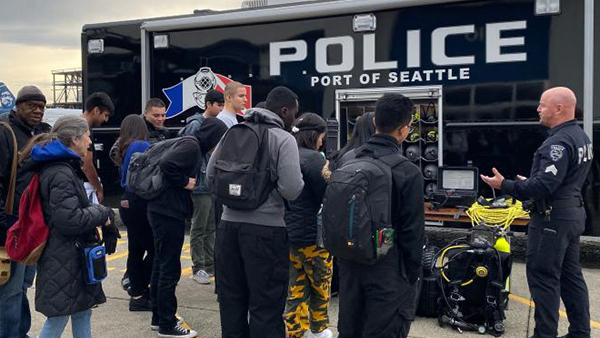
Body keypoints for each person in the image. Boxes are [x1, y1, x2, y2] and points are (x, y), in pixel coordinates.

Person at [481, 87, 592, 338]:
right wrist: (533, 180)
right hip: (572, 214)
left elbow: (544, 186)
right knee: (571, 276)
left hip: (552, 220)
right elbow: (558, 179)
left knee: (544, 279)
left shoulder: (558, 142)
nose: (538, 109)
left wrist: (505, 185)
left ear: (559, 108)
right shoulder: (580, 136)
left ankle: (544, 334)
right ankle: (580, 332)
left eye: (543, 105)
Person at [207, 86, 304, 338]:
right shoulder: (283, 139)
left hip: (227, 228)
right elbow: (292, 189)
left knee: (231, 302)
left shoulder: (232, 133)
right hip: (267, 231)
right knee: (267, 305)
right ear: (284, 111)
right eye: (294, 112)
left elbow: (210, 176)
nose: (295, 118)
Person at [336, 93, 424, 338]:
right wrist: (411, 277)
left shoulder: (347, 160)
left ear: (375, 123)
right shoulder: (407, 171)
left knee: (350, 330)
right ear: (404, 129)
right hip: (388, 270)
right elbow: (412, 234)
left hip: (351, 264)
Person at [23, 115, 119, 338]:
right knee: (58, 319)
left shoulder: (62, 168)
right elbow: (69, 220)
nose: (89, 142)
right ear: (74, 139)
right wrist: (102, 212)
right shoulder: (60, 172)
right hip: (64, 256)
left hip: (71, 256)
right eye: (86, 136)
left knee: (82, 312)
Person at [0, 85, 51, 338]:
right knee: (9, 289)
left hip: (35, 224)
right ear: (17, 106)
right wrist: (2, 226)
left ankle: (20, 331)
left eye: (41, 106)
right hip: (13, 223)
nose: (38, 110)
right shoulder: (5, 132)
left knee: (23, 285)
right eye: (32, 105)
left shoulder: (42, 133)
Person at [284, 113, 333, 338]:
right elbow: (325, 196)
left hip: (290, 233)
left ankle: (294, 330)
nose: (323, 141)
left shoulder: (287, 155)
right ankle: (319, 329)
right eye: (322, 136)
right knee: (320, 285)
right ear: (315, 135)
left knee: (295, 286)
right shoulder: (315, 160)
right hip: (314, 237)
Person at [147, 135, 200, 337]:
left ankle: (158, 317)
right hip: (169, 212)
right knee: (169, 268)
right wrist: (184, 181)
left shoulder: (186, 142)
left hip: (160, 210)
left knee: (160, 264)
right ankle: (167, 324)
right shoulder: (192, 147)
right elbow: (167, 164)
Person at [179, 92, 227, 284]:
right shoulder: (195, 124)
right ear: (208, 104)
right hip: (199, 183)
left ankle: (209, 264)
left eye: (224, 105)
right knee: (199, 227)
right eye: (219, 105)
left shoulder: (213, 124)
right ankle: (198, 266)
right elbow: (188, 151)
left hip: (209, 183)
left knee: (210, 226)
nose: (222, 109)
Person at [116, 115, 155, 311]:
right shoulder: (141, 145)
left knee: (136, 250)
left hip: (127, 201)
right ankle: (140, 291)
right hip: (139, 201)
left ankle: (137, 292)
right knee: (156, 250)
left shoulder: (124, 146)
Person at [81, 92, 114, 204]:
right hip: (84, 185)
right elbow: (87, 165)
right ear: (96, 110)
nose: (106, 120)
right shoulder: (84, 129)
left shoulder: (73, 125)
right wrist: (98, 188)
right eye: (105, 115)